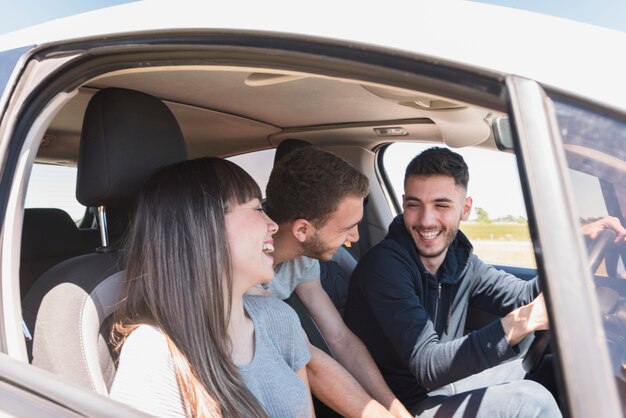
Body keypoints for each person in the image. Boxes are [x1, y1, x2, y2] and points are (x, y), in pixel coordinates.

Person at [344, 147, 561, 418]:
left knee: (555, 368)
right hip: (401, 404)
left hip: (442, 388)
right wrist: (525, 321)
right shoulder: (384, 268)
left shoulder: (459, 259)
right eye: (414, 205)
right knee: (530, 400)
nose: (426, 220)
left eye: (441, 205)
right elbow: (427, 366)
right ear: (403, 204)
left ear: (465, 208)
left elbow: (523, 296)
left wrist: (571, 250)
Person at [109, 157, 314, 418]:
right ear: (205, 227)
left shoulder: (280, 319)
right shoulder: (155, 354)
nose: (273, 225)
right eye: (257, 208)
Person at [261, 146, 412, 418]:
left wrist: (396, 410)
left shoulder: (301, 255)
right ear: (302, 229)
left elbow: (339, 337)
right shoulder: (244, 264)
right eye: (345, 228)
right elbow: (310, 362)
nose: (353, 238)